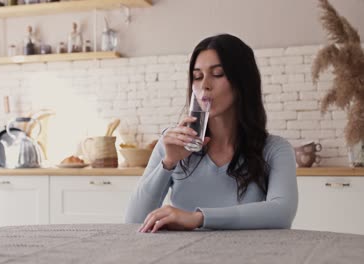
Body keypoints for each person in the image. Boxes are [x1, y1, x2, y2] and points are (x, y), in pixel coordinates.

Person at [125, 34, 298, 233]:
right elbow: (133, 221)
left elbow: (282, 213)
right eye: (197, 77)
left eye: (217, 74)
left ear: (242, 81)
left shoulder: (274, 149)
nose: (204, 85)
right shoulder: (173, 143)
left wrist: (198, 218)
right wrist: (168, 163)